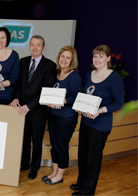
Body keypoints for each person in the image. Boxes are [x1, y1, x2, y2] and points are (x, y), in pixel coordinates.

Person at [70, 45, 124, 196]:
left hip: (101, 125)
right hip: (86, 122)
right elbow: (85, 95)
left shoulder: (114, 78)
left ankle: (87, 190)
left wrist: (100, 110)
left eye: (101, 56)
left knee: (93, 158)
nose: (97, 59)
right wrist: (79, 106)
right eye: (95, 56)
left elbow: (119, 103)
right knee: (83, 155)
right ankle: (81, 182)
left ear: (108, 58)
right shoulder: (89, 74)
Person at [10, 35, 56, 180]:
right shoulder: (23, 62)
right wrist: (16, 97)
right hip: (21, 109)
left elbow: (46, 90)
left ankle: (34, 167)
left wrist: (30, 106)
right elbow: (18, 84)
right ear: (29, 46)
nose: (34, 48)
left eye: (38, 45)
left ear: (43, 47)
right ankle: (24, 164)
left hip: (37, 111)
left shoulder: (50, 66)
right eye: (32, 45)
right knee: (23, 139)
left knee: (36, 141)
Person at [42, 45, 82, 185]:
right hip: (53, 115)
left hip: (66, 118)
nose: (64, 60)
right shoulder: (56, 73)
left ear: (72, 60)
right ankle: (54, 172)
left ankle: (59, 176)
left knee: (61, 145)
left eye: (68, 57)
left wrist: (63, 101)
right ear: (59, 57)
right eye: (62, 56)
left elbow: (76, 98)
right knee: (54, 145)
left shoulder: (74, 76)